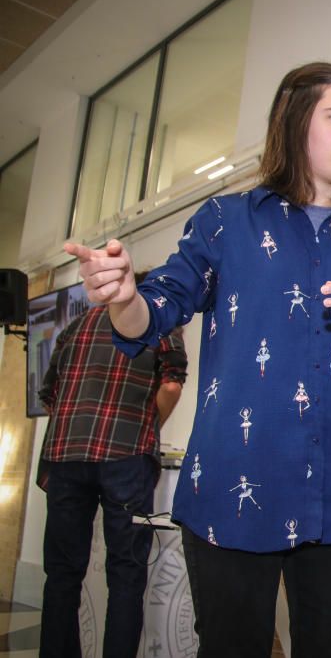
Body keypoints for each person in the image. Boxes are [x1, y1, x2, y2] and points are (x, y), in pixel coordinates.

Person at [64, 62, 331, 657]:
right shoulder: (224, 222)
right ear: (292, 123)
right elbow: (151, 316)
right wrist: (124, 296)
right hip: (236, 493)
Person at [37, 272, 187, 658]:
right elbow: (171, 383)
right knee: (125, 573)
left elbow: (49, 392)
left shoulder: (77, 324)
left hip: (65, 455)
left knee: (62, 574)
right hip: (125, 457)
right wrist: (146, 427)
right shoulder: (158, 317)